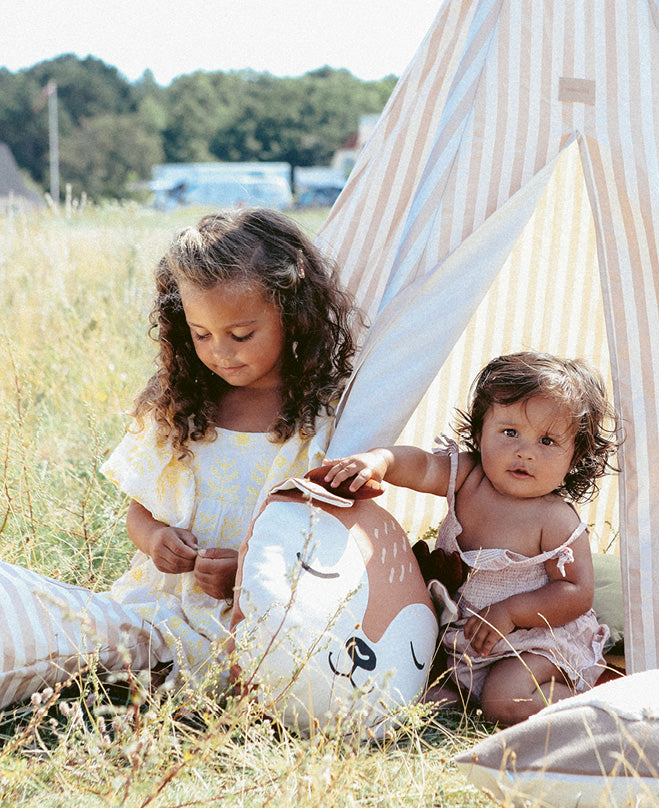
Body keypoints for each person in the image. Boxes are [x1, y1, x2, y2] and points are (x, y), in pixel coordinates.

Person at [0, 207, 357, 707]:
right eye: (201, 334)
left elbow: (331, 539)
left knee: (102, 651)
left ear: (292, 312)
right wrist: (155, 540)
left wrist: (248, 572)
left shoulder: (322, 424)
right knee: (48, 614)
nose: (220, 352)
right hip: (152, 607)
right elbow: (140, 511)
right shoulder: (182, 406)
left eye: (241, 334)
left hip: (250, 623)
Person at [321, 352, 620, 726]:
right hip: (466, 638)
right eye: (510, 433)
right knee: (424, 694)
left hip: (534, 641)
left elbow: (576, 592)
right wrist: (381, 461)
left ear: (575, 456)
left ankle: (593, 705)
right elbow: (424, 466)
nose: (524, 451)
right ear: (479, 433)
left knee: (504, 699)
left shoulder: (555, 519)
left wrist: (511, 612)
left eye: (546, 441)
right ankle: (464, 690)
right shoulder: (468, 478)